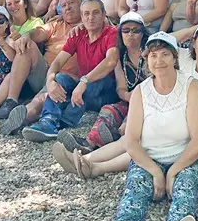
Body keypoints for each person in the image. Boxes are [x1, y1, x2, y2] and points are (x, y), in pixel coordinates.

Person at [84, 32, 198, 221]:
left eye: (164, 54)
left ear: (174, 58)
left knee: (185, 187)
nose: (159, 61)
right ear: (147, 60)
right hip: (150, 156)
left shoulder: (192, 87)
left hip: (188, 157)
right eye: (153, 55)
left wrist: (172, 172)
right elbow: (131, 141)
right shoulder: (140, 92)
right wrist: (154, 171)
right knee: (135, 188)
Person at [53, 22, 198, 180]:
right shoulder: (185, 59)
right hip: (168, 115)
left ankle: (95, 167)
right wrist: (192, 29)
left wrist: (194, 113)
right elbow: (165, 43)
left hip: (196, 129)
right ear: (193, 43)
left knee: (147, 142)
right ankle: (86, 160)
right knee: (132, 138)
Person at [21, 0, 120, 142]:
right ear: (82, 16)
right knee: (61, 78)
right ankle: (48, 121)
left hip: (105, 91)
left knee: (95, 82)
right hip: (83, 86)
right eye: (86, 14)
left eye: (95, 13)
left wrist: (84, 81)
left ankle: (62, 123)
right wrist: (50, 82)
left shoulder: (111, 33)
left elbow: (110, 61)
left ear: (104, 14)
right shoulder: (78, 34)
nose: (90, 18)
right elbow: (58, 62)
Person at [0, 0, 84, 136]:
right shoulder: (56, 24)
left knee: (51, 88)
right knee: (27, 45)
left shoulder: (89, 27)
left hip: (68, 79)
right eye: (64, 5)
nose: (68, 8)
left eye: (72, 3)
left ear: (81, 6)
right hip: (45, 73)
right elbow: (38, 33)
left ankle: (27, 115)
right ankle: (11, 101)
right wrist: (27, 36)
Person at [59, 12, 150, 152]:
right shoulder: (120, 56)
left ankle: (114, 136)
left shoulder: (151, 52)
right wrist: (128, 96)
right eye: (126, 30)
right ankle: (89, 143)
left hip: (150, 101)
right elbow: (121, 87)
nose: (130, 34)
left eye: (136, 30)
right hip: (129, 101)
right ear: (120, 34)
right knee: (108, 111)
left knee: (128, 121)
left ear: (143, 33)